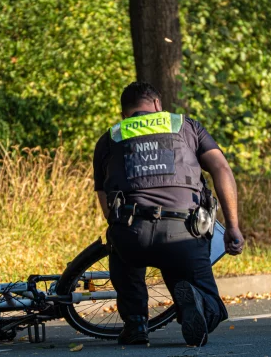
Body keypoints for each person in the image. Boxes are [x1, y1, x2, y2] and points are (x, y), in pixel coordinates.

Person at [93, 82, 245, 346]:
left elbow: (106, 202)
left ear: (124, 113)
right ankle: (195, 308)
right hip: (184, 232)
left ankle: (136, 323)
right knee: (211, 303)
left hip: (132, 232)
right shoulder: (187, 126)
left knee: (120, 248)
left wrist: (120, 232)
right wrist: (233, 225)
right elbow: (221, 169)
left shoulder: (110, 137)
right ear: (156, 105)